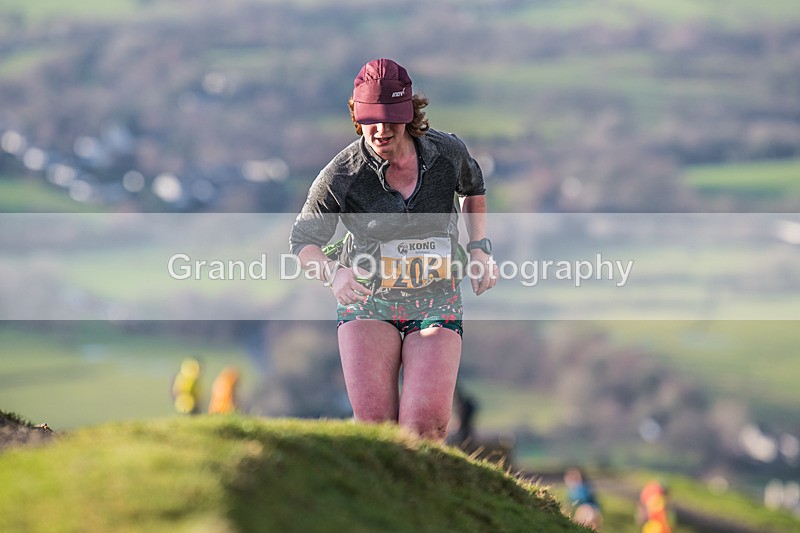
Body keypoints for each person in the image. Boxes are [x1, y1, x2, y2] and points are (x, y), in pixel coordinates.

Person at [290, 58, 497, 442]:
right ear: (357, 116)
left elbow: (473, 188)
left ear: (409, 114)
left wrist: (479, 248)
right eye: (371, 119)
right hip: (368, 301)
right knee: (376, 429)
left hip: (435, 298)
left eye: (391, 119)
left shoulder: (446, 152)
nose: (381, 130)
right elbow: (303, 242)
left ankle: (423, 482)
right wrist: (334, 274)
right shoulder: (342, 174)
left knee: (424, 427)